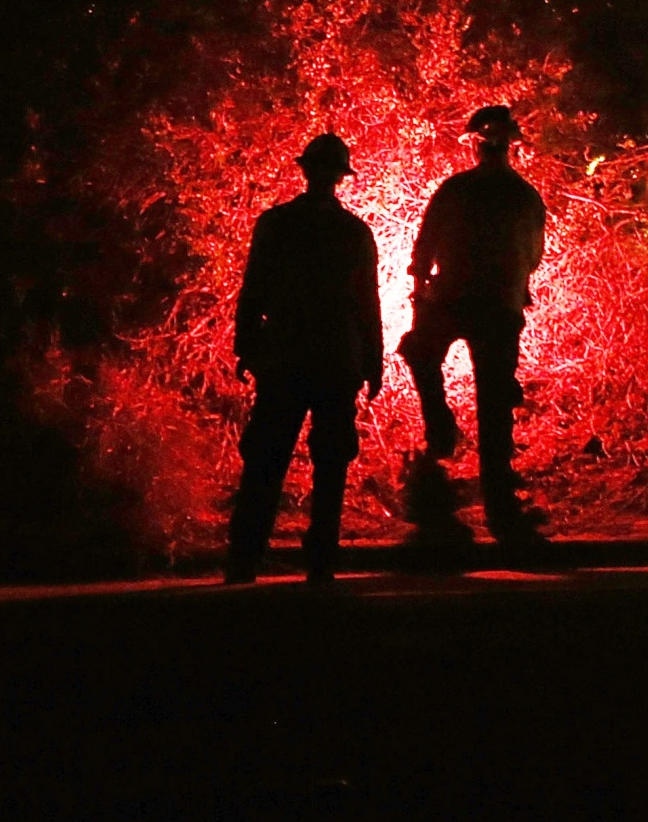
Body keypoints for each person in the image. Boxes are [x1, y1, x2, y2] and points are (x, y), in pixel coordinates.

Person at [225, 130, 383, 585]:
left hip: (285, 356)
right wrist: (372, 361)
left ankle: (246, 555)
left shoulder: (276, 224)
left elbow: (254, 288)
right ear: (340, 177)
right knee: (331, 460)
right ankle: (321, 559)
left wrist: (247, 345)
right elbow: (366, 303)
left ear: (307, 171)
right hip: (336, 358)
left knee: (267, 456)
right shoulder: (353, 232)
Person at [399, 104, 546, 543]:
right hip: (499, 307)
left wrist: (424, 294)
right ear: (509, 146)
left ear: (475, 145)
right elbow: (533, 256)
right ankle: (500, 508)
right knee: (495, 408)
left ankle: (439, 440)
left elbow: (423, 251)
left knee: (420, 352)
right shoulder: (524, 195)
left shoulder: (456, 189)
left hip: (456, 300)